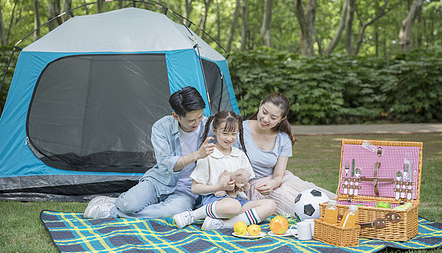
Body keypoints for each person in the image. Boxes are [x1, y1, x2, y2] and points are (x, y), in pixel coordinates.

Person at [83, 86, 215, 219]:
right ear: (175, 116)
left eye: (200, 116)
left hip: (187, 190)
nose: (197, 123)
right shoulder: (162, 127)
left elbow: (233, 142)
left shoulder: (210, 126)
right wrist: (196, 155)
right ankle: (121, 204)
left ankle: (112, 210)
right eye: (191, 120)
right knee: (128, 205)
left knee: (168, 213)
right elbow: (165, 164)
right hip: (159, 180)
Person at [173, 110, 276, 231]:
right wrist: (218, 186)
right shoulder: (208, 154)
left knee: (270, 205)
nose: (229, 138)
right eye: (225, 133)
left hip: (236, 200)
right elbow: (195, 188)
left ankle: (223, 224)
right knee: (233, 207)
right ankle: (193, 215)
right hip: (214, 201)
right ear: (215, 130)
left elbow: (246, 184)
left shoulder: (239, 155)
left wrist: (242, 184)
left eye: (233, 134)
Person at [240, 93, 336, 216]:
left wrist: (273, 183)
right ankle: (334, 220)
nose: (266, 119)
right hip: (256, 186)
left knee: (312, 191)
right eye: (264, 112)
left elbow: (278, 176)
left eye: (273, 117)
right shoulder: (240, 130)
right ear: (260, 105)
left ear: (282, 119)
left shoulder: (283, 139)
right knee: (293, 201)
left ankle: (356, 210)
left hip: (277, 180)